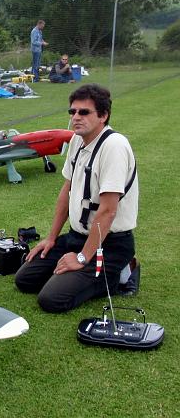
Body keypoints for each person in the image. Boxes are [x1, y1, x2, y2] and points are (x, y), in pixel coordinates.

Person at [15, 84, 139, 313]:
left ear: (103, 115)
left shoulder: (114, 146)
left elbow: (108, 210)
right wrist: (51, 238)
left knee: (51, 300)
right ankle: (79, 270)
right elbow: (66, 191)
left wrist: (82, 258)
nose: (75, 118)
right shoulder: (76, 140)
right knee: (25, 279)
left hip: (109, 245)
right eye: (72, 112)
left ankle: (121, 273)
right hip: (76, 236)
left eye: (84, 112)